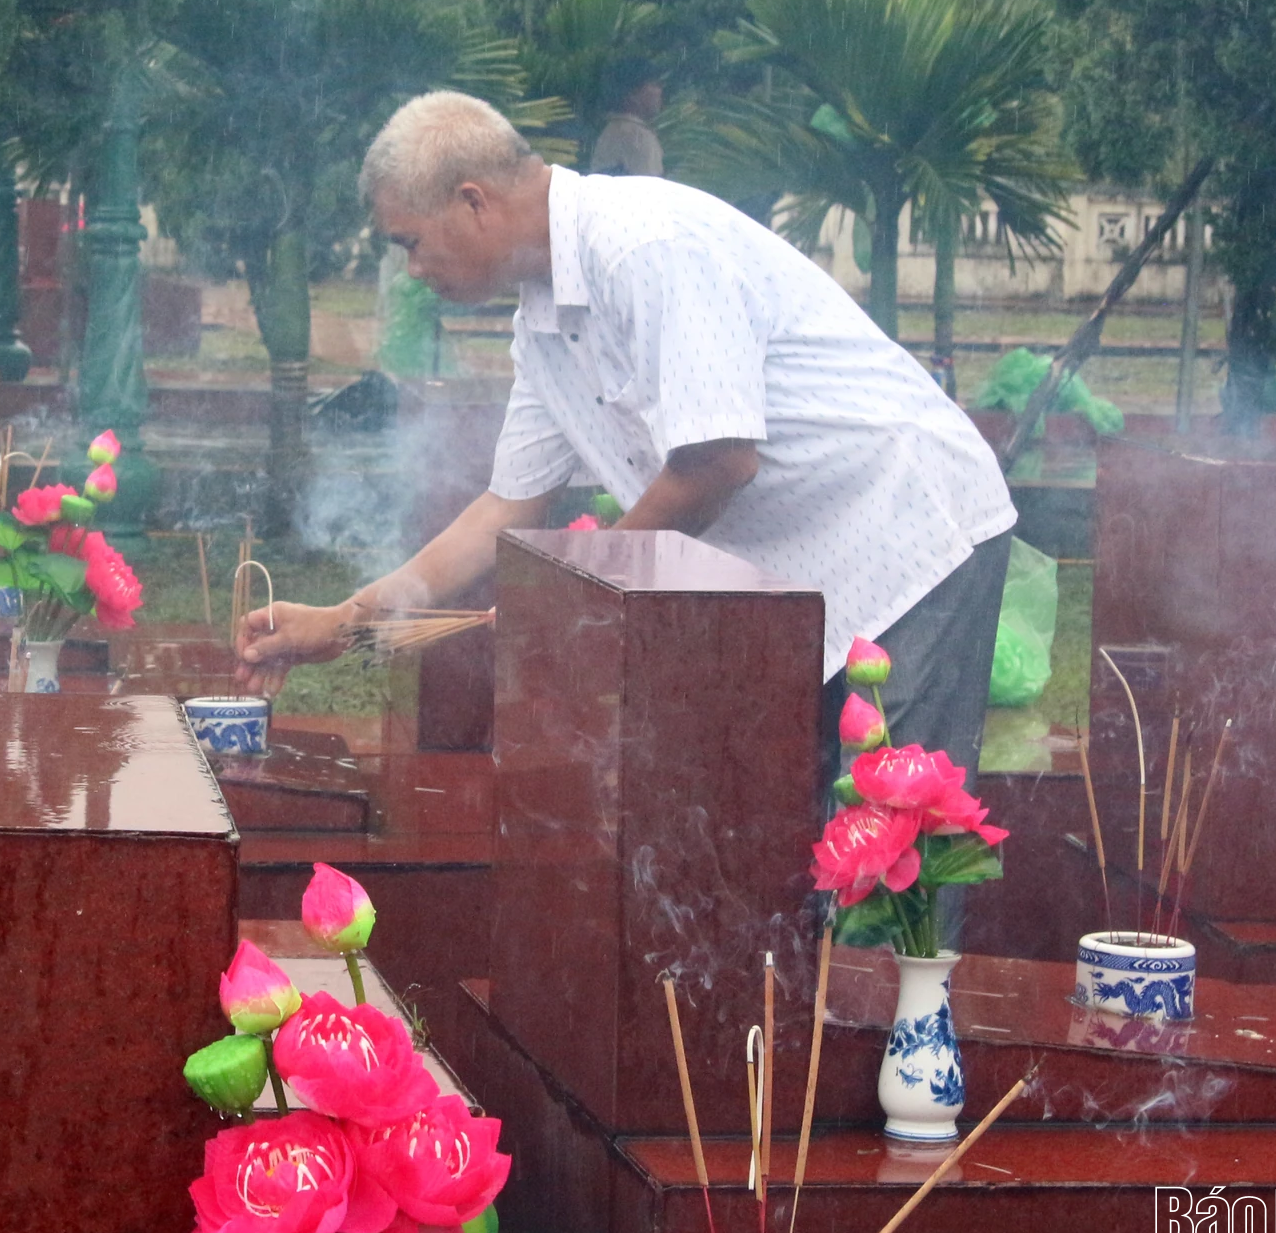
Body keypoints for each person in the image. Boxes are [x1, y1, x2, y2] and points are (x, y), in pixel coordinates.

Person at [235, 90, 1016, 777]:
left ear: (473, 202)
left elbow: (717, 462)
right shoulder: (541, 322)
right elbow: (503, 513)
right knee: (797, 844)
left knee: (898, 856)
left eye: (409, 241)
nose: (411, 269)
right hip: (804, 580)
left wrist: (572, 598)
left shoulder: (646, 246)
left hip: (910, 539)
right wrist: (345, 627)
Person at [588, 75, 665, 177]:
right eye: (653, 85)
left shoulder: (610, 129)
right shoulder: (635, 135)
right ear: (633, 94)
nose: (659, 91)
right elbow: (648, 188)